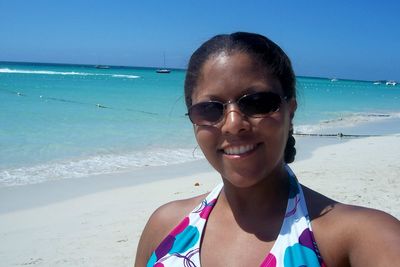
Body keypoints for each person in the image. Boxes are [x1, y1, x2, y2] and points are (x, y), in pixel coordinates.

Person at [135, 32, 400, 267]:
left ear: (290, 110)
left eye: (258, 102)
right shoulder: (164, 226)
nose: (233, 124)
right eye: (210, 108)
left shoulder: (356, 236)